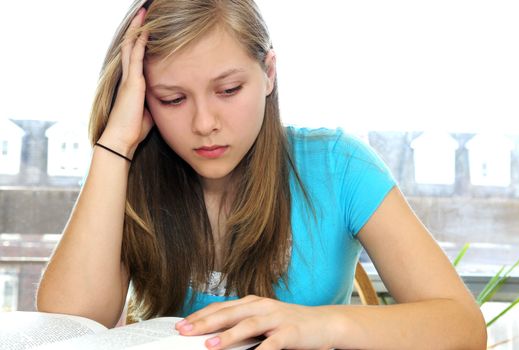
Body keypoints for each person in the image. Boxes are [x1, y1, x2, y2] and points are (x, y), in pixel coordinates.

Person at [36, 0, 487, 348]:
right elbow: (67, 324)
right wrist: (115, 145)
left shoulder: (339, 165)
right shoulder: (131, 174)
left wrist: (315, 324)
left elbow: (462, 327)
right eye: (172, 99)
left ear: (269, 73)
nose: (204, 123)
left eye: (229, 90)